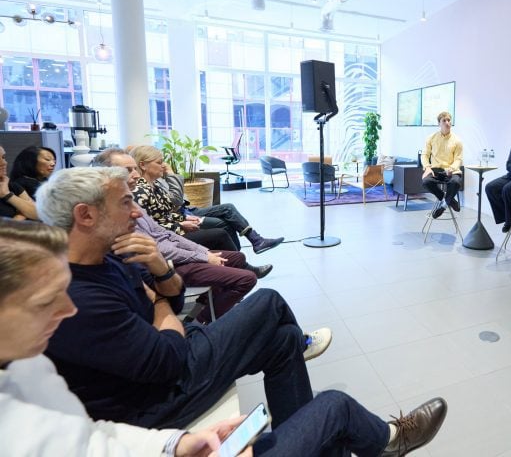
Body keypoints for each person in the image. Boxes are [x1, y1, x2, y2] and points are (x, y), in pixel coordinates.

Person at [0, 218, 450, 456]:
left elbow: (87, 440)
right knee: (331, 399)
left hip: (158, 390)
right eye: (45, 301)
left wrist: (174, 446)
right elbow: (167, 351)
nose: (66, 310)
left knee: (277, 343)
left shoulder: (32, 364)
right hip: (162, 388)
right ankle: (389, 441)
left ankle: (298, 377)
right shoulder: (82, 310)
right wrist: (159, 304)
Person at [36, 167, 330, 430]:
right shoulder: (75, 297)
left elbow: (174, 302)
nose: (137, 212)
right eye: (126, 203)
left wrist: (161, 271)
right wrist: (159, 305)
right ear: (85, 215)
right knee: (269, 301)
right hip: (158, 401)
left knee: (284, 339)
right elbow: (168, 357)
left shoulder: (111, 258)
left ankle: (303, 435)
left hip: (173, 357)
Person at [93, 148, 270, 322]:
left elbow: (164, 222)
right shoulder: (124, 205)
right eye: (128, 170)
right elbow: (158, 244)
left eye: (134, 169)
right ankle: (200, 321)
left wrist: (203, 252)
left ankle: (207, 305)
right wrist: (200, 254)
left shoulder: (134, 197)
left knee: (236, 254)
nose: (136, 175)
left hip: (174, 237)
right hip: (168, 261)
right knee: (243, 272)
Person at [131, 145, 283, 254]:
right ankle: (241, 260)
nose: (163, 166)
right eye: (159, 162)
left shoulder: (154, 184)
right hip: (175, 227)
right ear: (143, 165)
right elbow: (167, 210)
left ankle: (244, 255)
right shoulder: (141, 190)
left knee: (227, 212)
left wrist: (182, 218)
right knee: (223, 226)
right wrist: (171, 174)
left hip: (182, 217)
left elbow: (167, 210)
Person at [421, 111, 464, 219]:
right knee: (426, 181)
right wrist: (427, 167)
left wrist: (452, 168)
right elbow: (425, 155)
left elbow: (458, 159)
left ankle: (443, 206)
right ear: (439, 123)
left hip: (452, 170)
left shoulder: (457, 140)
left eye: (449, 120)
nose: (447, 123)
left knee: (456, 182)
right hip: (436, 170)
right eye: (444, 120)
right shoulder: (431, 138)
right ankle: (448, 200)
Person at [0, 145, 39, 220]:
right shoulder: (21, 181)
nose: (4, 162)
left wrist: (6, 194)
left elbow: (37, 213)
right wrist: (21, 214)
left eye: (3, 157)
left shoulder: (12, 186)